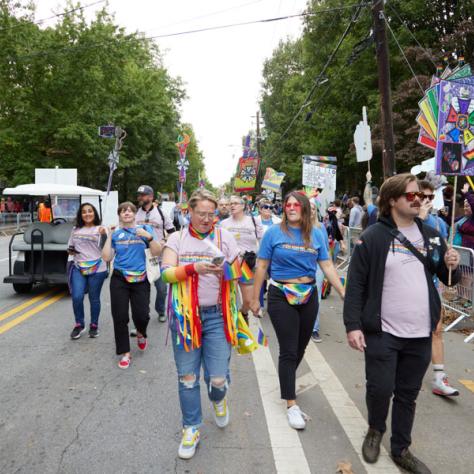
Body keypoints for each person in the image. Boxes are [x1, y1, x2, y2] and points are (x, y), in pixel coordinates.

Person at [344, 173, 460, 473]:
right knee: (380, 388)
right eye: (411, 195)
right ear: (392, 200)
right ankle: (375, 430)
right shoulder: (374, 237)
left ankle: (401, 448)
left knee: (408, 393)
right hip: (383, 330)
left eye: (421, 196)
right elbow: (355, 284)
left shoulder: (432, 233)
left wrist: (451, 265)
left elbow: (447, 276)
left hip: (420, 331)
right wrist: (353, 325)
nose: (418, 199)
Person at [250, 191, 345, 430]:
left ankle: (288, 378)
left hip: (309, 294)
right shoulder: (273, 233)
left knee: (301, 346)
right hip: (281, 295)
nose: (291, 208)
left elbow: (327, 265)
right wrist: (254, 298)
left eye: (296, 205)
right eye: (287, 205)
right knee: (289, 350)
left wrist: (345, 293)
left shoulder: (316, 234)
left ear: (303, 208)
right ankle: (291, 404)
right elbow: (262, 265)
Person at [161, 189, 240, 459]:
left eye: (211, 214)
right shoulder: (177, 238)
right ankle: (191, 428)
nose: (207, 219)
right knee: (187, 378)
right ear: (189, 213)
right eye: (201, 214)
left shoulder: (224, 237)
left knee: (218, 379)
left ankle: (218, 399)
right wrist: (194, 268)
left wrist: (226, 270)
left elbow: (240, 272)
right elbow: (167, 274)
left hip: (218, 316)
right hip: (185, 319)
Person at [102, 202, 161, 369]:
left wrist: (148, 238)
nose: (126, 213)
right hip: (120, 278)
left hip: (141, 278)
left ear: (135, 214)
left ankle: (141, 332)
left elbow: (157, 252)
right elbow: (106, 258)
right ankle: (125, 353)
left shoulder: (145, 230)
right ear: (119, 215)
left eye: (130, 210)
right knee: (119, 316)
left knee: (142, 315)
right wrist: (109, 236)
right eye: (123, 211)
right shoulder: (116, 233)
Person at [417, 180, 458, 397]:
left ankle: (439, 377)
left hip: (430, 287)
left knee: (436, 330)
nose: (426, 202)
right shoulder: (400, 223)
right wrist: (420, 221)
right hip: (403, 292)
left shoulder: (439, 225)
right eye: (421, 196)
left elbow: (444, 265)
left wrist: (451, 262)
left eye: (430, 198)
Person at [68, 203, 108, 339]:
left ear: (94, 213)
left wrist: (103, 235)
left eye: (90, 211)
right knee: (77, 296)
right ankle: (79, 324)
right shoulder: (75, 230)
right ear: (81, 215)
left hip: (98, 268)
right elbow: (70, 247)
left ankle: (94, 325)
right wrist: (72, 251)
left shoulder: (101, 229)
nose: (87, 214)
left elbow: (105, 250)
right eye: (84, 212)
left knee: (94, 298)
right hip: (79, 267)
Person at [135, 185, 175, 323]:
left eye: (143, 195)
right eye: (139, 195)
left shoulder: (162, 213)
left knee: (162, 289)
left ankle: (161, 310)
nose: (140, 197)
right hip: (139, 257)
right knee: (141, 290)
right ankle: (142, 314)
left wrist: (165, 240)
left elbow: (172, 232)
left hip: (158, 257)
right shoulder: (135, 213)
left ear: (151, 197)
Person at [221, 195, 263, 320]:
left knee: (248, 300)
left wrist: (261, 260)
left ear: (243, 206)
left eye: (235, 203)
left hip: (248, 263)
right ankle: (232, 322)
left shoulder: (254, 221)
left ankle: (244, 313)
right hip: (230, 264)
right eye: (230, 203)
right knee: (230, 296)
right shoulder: (223, 224)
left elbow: (261, 242)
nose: (232, 205)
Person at [310, 199, 330, 343]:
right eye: (308, 207)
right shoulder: (295, 225)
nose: (310, 210)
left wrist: (328, 271)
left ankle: (314, 328)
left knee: (315, 296)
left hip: (317, 265)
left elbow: (325, 251)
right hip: (301, 266)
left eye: (313, 208)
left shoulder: (320, 227)